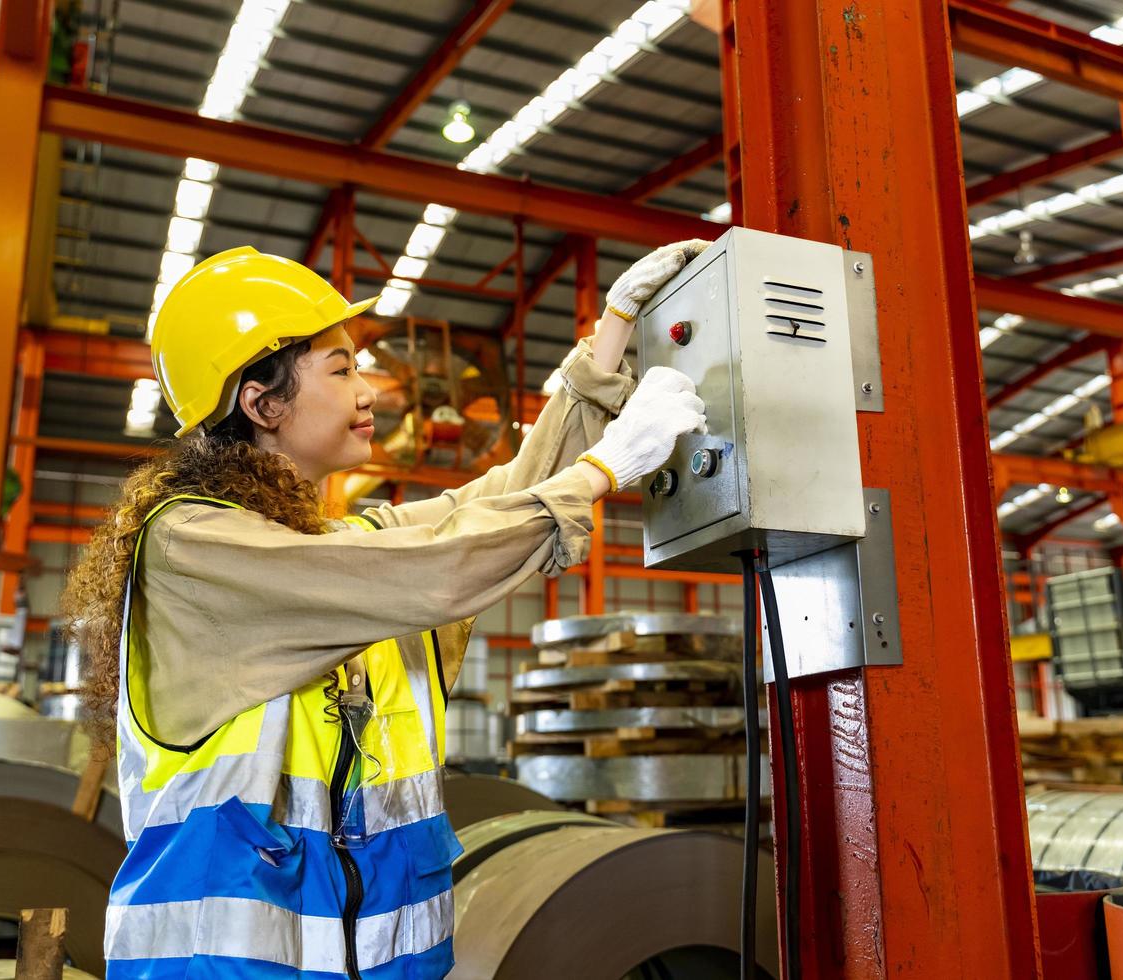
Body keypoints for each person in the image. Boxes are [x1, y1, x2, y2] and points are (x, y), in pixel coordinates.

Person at [63, 239, 710, 979]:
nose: (368, 391)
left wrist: (611, 338)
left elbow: (488, 506)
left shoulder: (338, 548)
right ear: (261, 401)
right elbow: (433, 567)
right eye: (341, 370)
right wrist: (602, 471)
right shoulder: (194, 549)